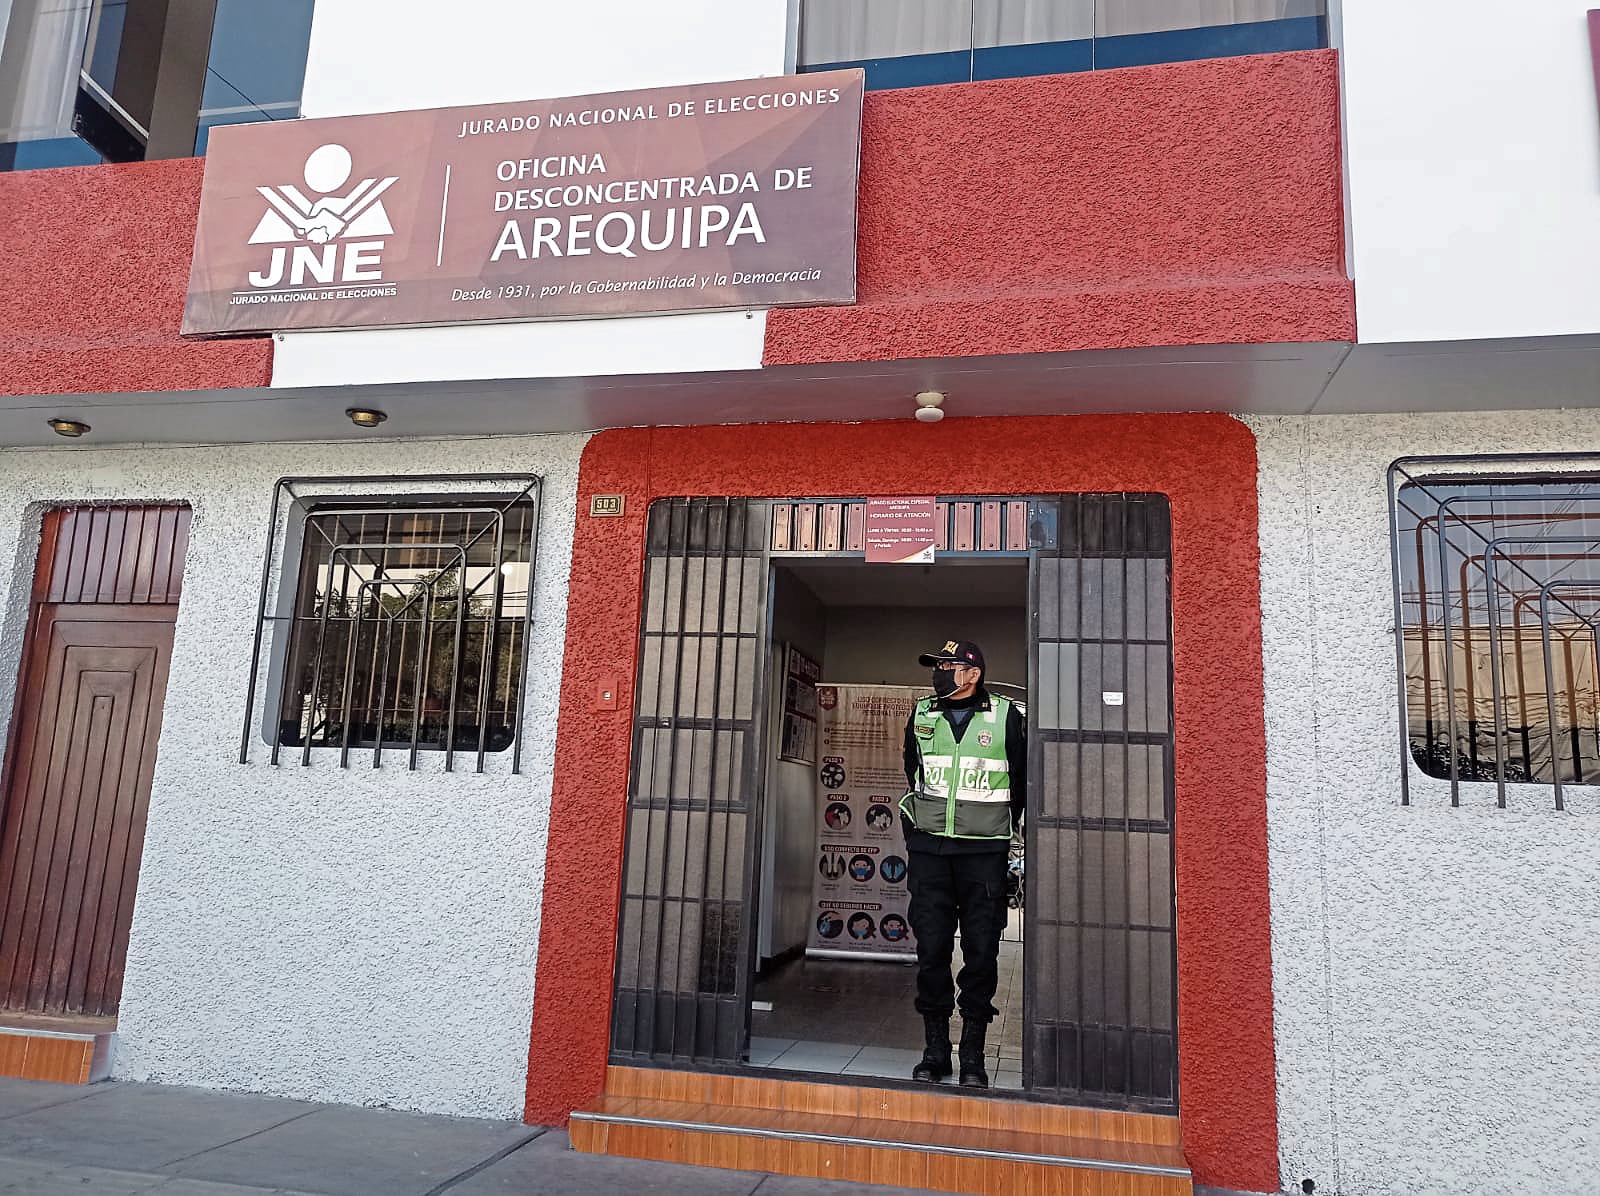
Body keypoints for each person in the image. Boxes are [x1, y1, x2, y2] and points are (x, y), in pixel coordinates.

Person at [898, 640, 1025, 1089]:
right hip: (931, 853)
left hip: (983, 854)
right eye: (938, 666)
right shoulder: (922, 714)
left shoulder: (1007, 716)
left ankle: (972, 1054)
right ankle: (935, 1051)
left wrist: (1004, 835)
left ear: (972, 673)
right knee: (931, 950)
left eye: (947, 665)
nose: (939, 672)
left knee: (981, 954)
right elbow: (913, 772)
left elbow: (1022, 779)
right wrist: (915, 835)